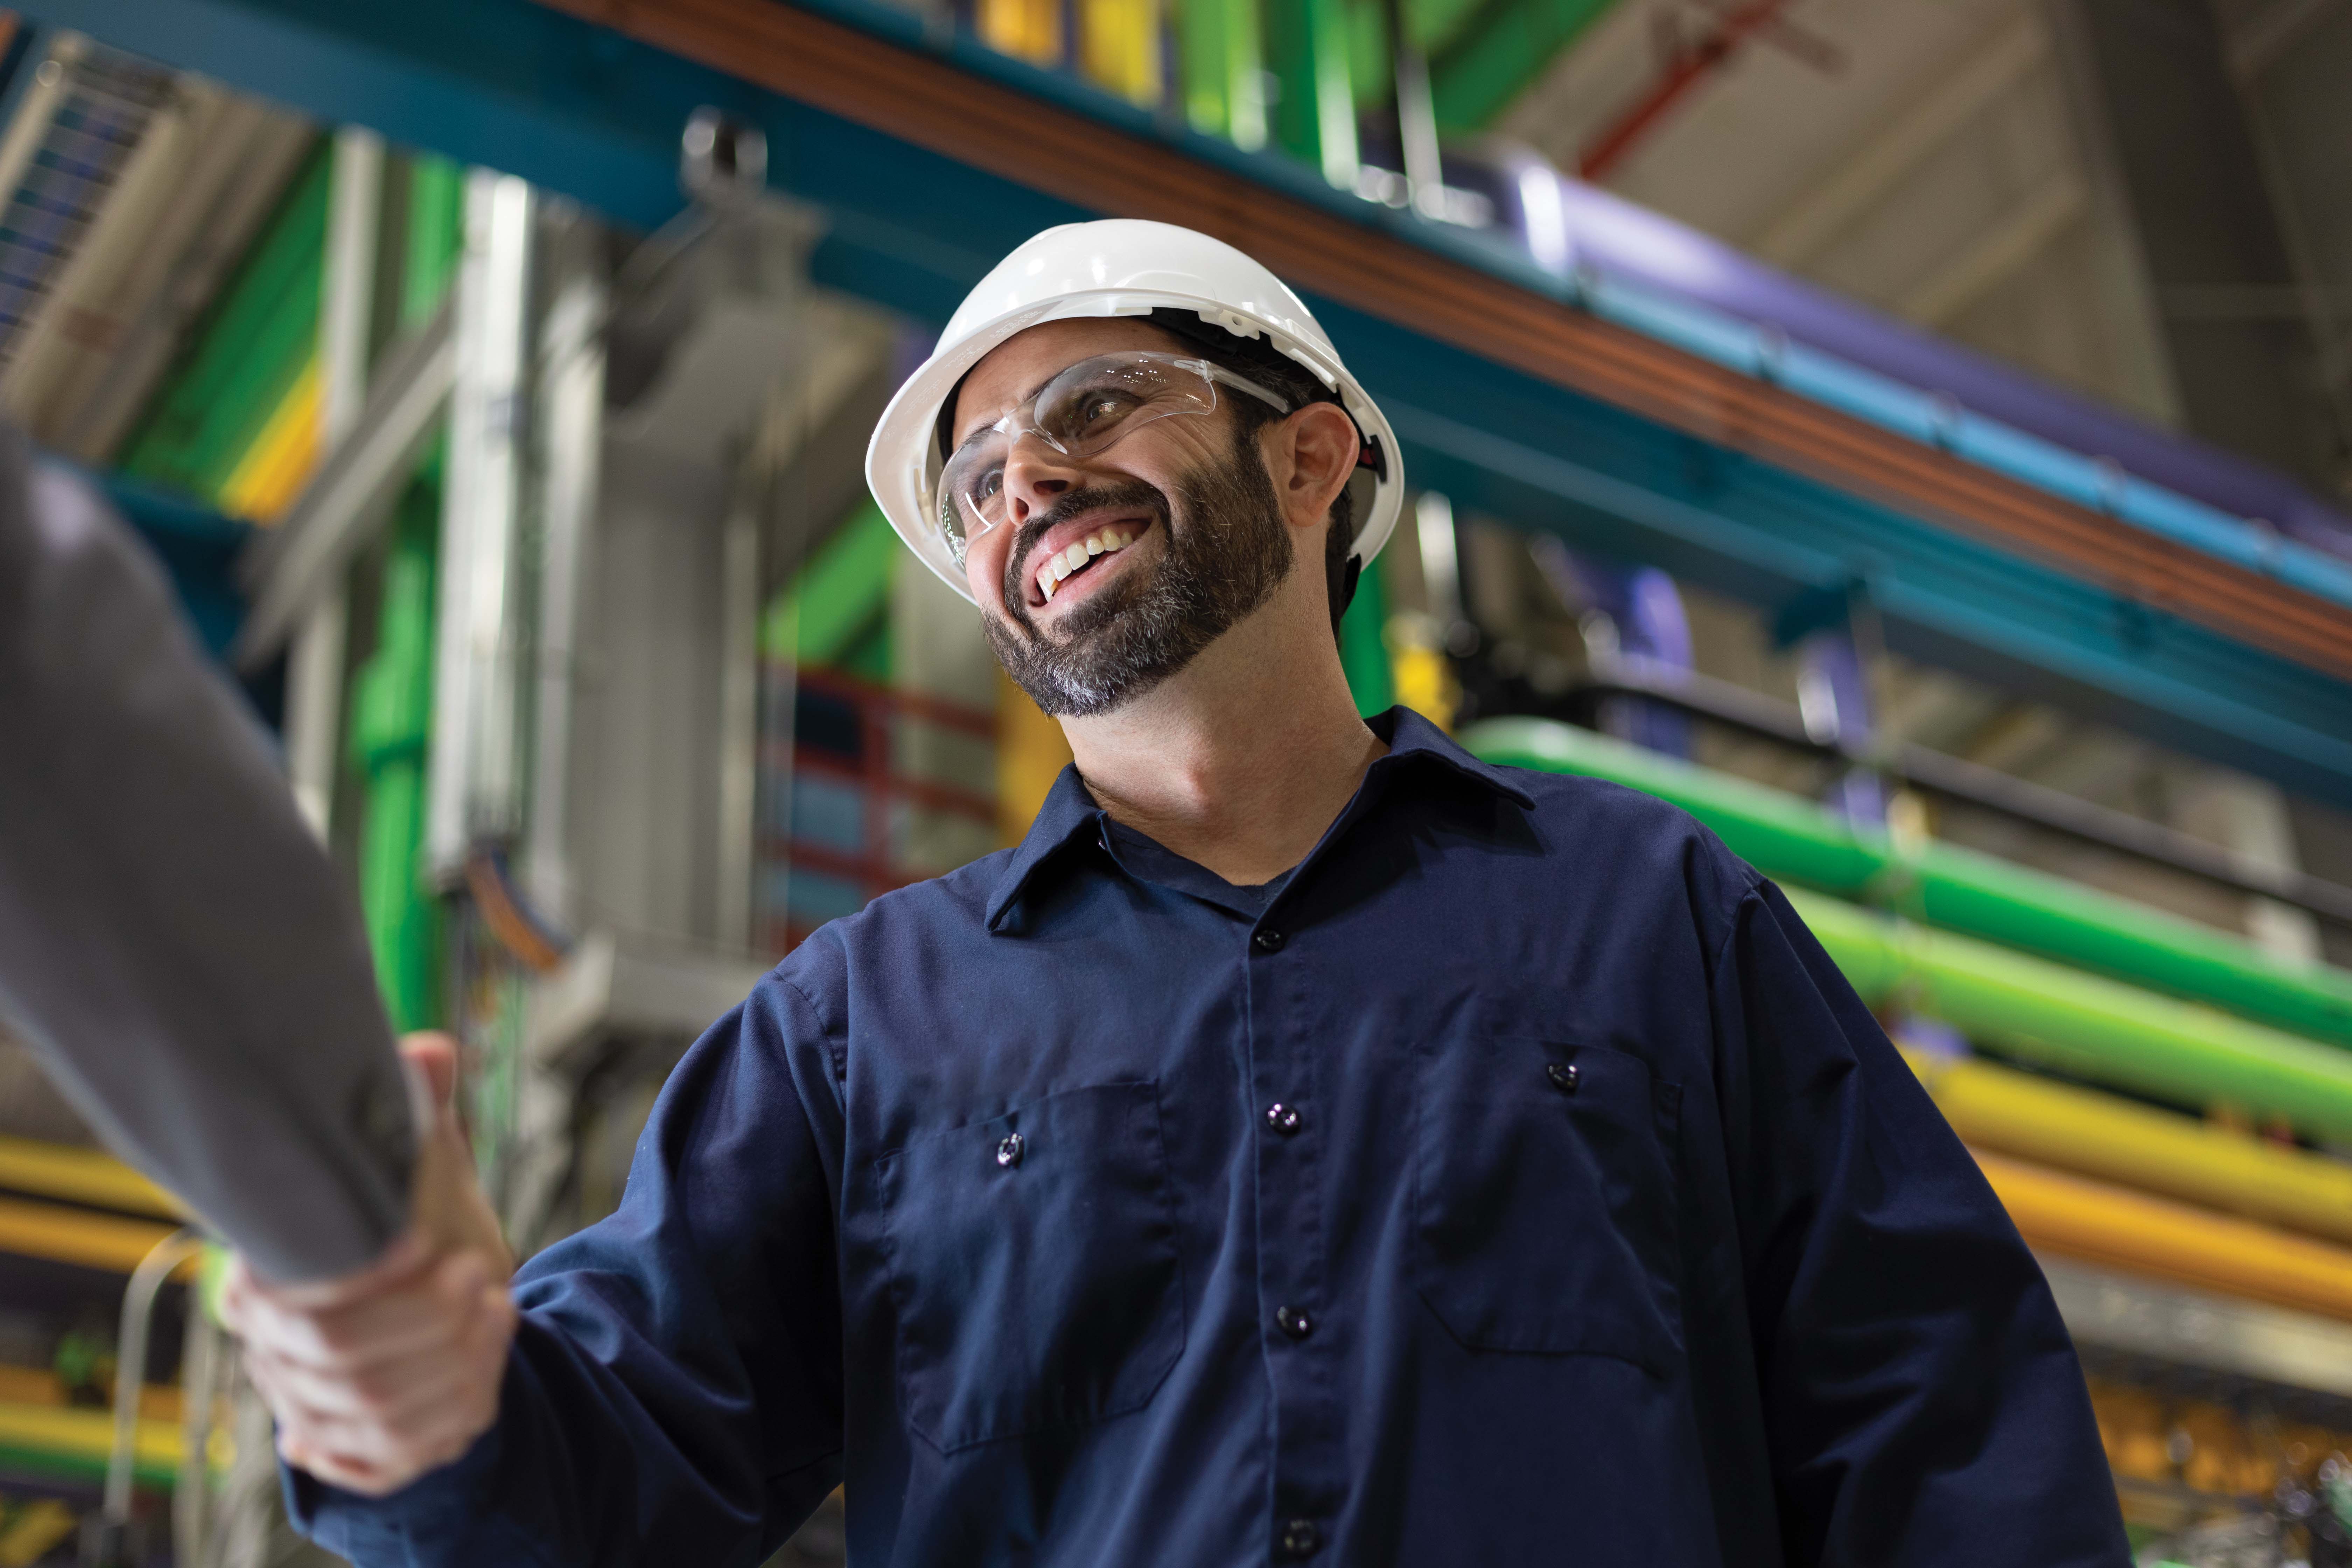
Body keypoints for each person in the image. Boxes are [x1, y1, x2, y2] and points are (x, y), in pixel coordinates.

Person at [229, 220, 2129, 1566]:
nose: (1023, 485)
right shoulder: (859, 1025)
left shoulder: (1649, 921)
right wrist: (420, 1403)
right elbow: (603, 1479)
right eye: (974, 477)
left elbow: (1944, 1432)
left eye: (1097, 405)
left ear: (1311, 457)